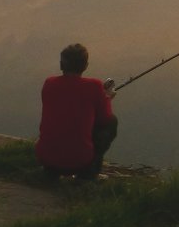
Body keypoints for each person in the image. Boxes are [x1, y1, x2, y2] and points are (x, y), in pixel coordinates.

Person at [36, 43, 118, 179]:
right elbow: (105, 118)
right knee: (112, 122)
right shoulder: (94, 86)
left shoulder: (49, 83)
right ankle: (89, 173)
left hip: (46, 158)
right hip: (79, 161)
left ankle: (51, 172)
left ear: (61, 65)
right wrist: (107, 98)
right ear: (85, 66)